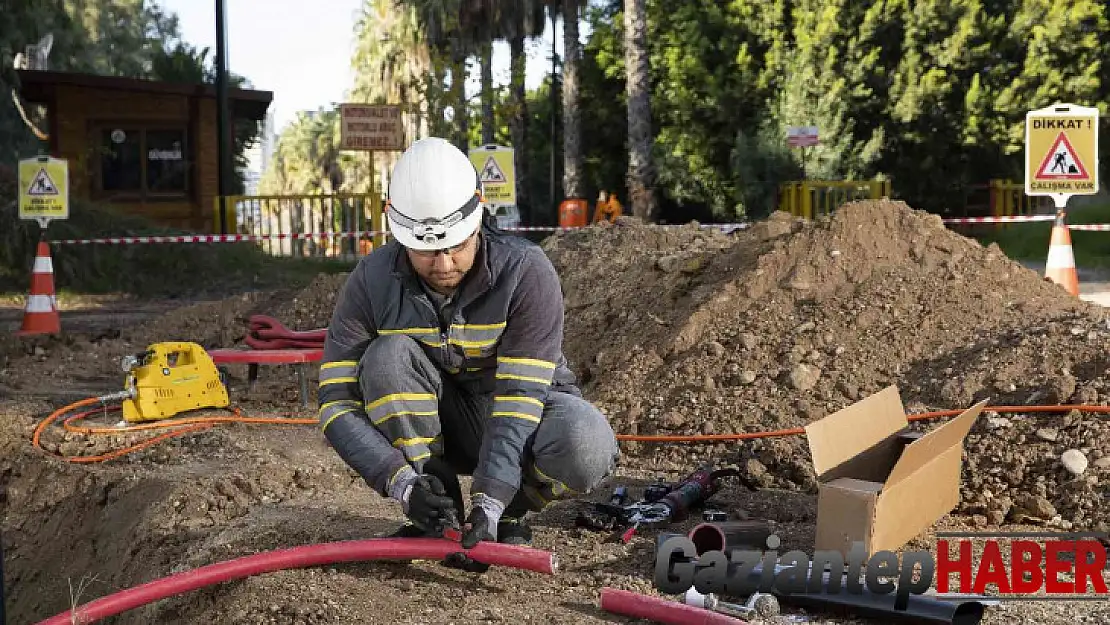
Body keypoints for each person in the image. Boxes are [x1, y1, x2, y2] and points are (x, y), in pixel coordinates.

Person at [317, 137, 620, 551]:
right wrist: (402, 484)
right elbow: (335, 403)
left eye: (456, 245)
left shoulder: (524, 272)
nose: (443, 265)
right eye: (425, 251)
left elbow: (519, 397)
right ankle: (436, 506)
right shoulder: (371, 281)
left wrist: (492, 500)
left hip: (522, 421)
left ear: (478, 216)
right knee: (385, 359)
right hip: (441, 426)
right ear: (398, 230)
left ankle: (512, 509)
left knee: (586, 443)